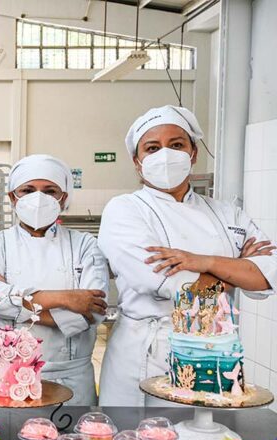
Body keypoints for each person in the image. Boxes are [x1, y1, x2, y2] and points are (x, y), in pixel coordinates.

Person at [98, 105, 277, 406]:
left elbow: (267, 273)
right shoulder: (124, 209)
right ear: (137, 162)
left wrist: (203, 262)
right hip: (147, 350)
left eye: (177, 145)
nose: (165, 155)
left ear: (193, 153)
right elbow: (172, 285)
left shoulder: (226, 212)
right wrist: (237, 273)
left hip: (215, 351)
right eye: (152, 148)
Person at [0, 154, 109, 405]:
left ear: (63, 197)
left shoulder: (85, 244)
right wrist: (67, 298)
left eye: (49, 190)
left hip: (70, 377)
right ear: (13, 197)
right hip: (5, 372)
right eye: (27, 190)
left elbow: (94, 311)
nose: (38, 198)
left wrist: (14, 302)